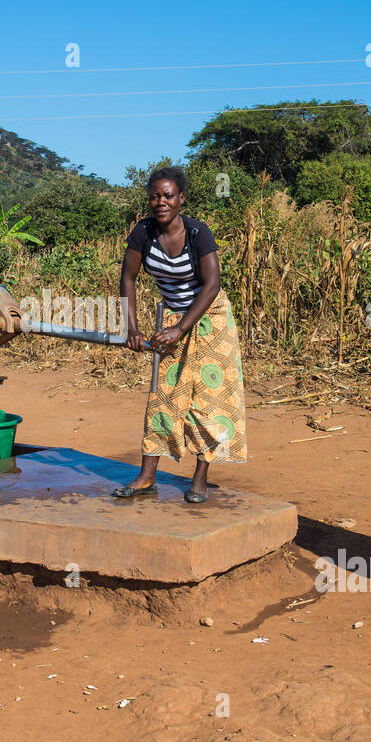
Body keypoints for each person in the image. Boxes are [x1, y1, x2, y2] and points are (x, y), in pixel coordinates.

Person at [112, 166, 247, 503]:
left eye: (168, 195)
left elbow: (212, 284)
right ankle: (147, 476)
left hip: (210, 317)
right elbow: (127, 278)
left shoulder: (198, 233)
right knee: (164, 393)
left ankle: (200, 477)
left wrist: (180, 328)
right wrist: (132, 328)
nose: (161, 202)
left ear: (181, 199)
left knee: (210, 398)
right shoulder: (143, 233)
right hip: (172, 317)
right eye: (155, 196)